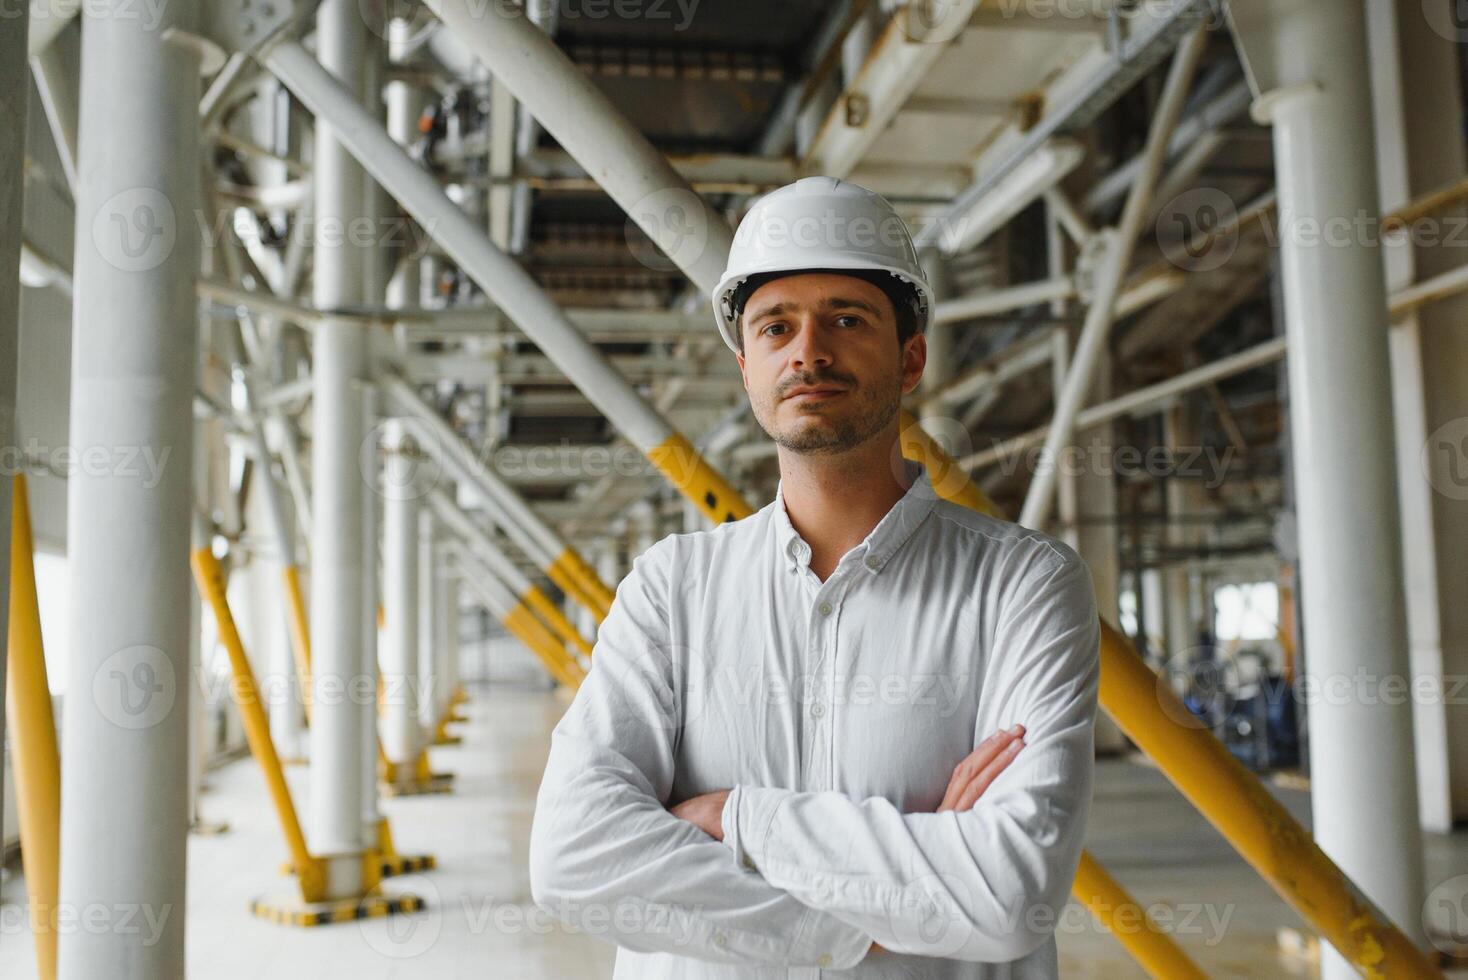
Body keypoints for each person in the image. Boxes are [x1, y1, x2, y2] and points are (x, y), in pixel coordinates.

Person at [528, 176, 1101, 978]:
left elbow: (1010, 894)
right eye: (775, 326)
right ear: (746, 367)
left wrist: (735, 817)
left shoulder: (1023, 585)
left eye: (846, 318)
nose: (808, 350)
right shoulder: (669, 590)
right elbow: (574, 856)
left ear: (910, 359)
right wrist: (876, 911)